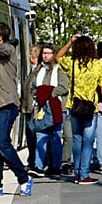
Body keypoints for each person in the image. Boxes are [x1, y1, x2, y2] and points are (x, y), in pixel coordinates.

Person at [0, 23, 32, 196]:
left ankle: (24, 178)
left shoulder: (8, 49)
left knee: (2, 143)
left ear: (0, 36)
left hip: (5, 105)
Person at [57, 35, 102, 185]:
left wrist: (69, 42)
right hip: (90, 108)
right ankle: (84, 174)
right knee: (88, 141)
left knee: (77, 139)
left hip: (74, 106)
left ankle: (77, 173)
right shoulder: (98, 65)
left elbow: (57, 57)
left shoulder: (71, 63)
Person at [27, 45, 68, 176]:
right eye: (44, 53)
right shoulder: (39, 70)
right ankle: (38, 166)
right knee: (41, 135)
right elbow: (32, 87)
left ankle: (56, 166)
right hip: (42, 108)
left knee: (56, 137)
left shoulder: (59, 70)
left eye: (48, 53)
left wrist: (49, 93)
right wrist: (39, 94)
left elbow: (64, 87)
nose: (46, 56)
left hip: (56, 107)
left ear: (54, 54)